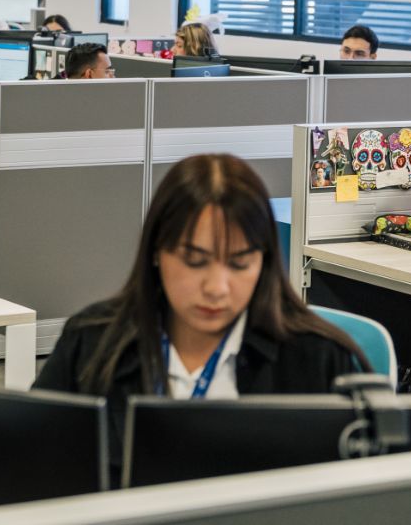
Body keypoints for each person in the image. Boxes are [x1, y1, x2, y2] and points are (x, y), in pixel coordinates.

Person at [34, 154, 367, 477]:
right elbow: (30, 464)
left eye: (239, 263)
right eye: (194, 261)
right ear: (155, 252)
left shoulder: (318, 360)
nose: (217, 288)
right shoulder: (92, 342)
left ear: (263, 263)